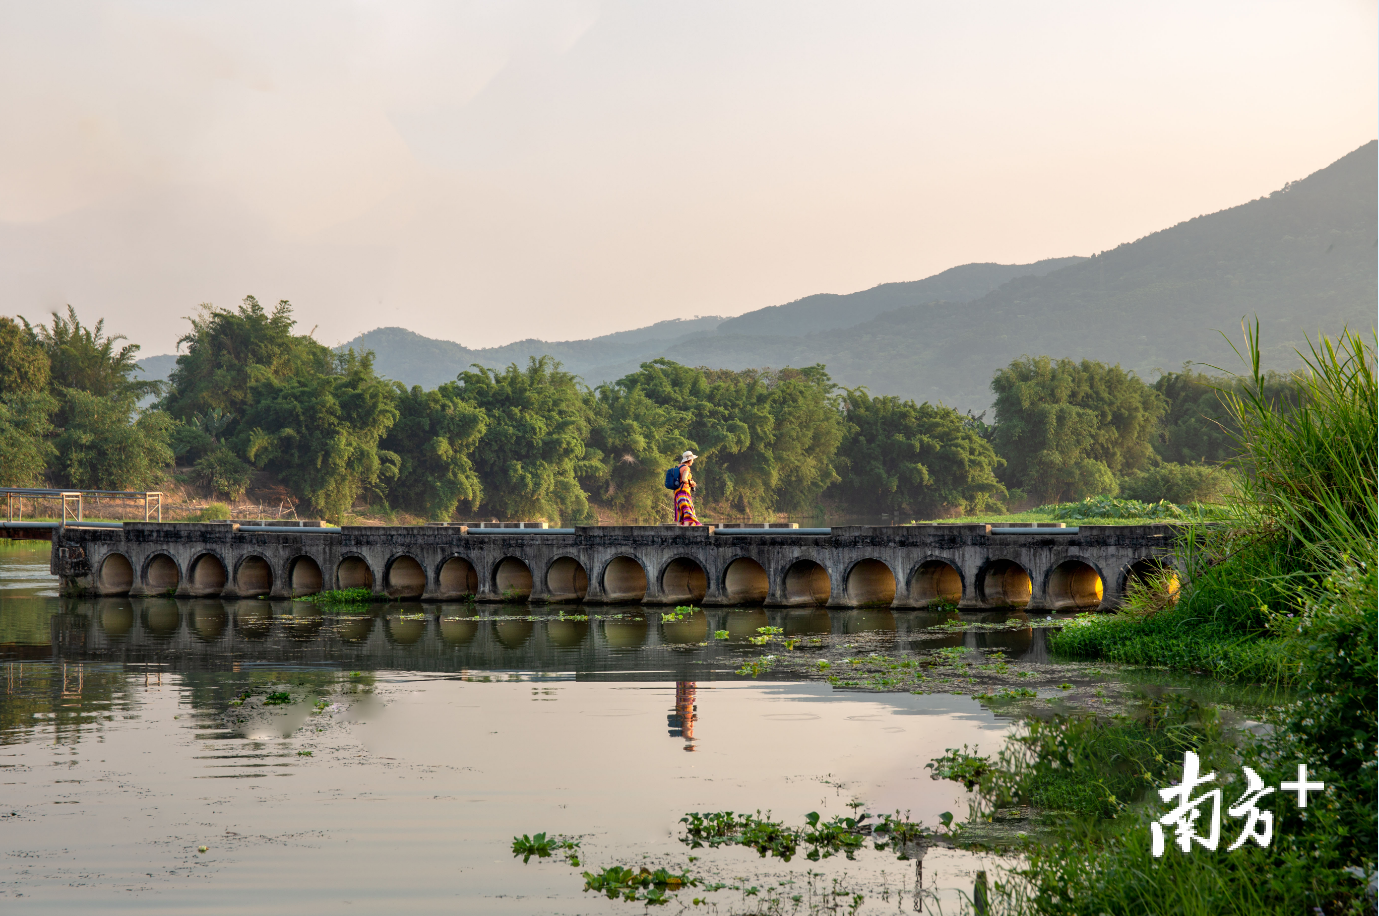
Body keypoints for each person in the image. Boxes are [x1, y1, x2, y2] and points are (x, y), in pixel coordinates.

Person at [674, 450, 701, 526]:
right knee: (687, 509)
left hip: (677, 491)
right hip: (684, 491)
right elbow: (684, 479)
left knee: (680, 509)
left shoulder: (679, 467)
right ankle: (686, 529)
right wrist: (691, 483)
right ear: (689, 460)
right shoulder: (686, 468)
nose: (693, 461)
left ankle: (678, 529)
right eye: (692, 459)